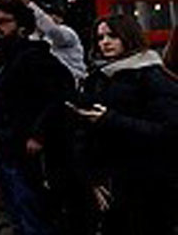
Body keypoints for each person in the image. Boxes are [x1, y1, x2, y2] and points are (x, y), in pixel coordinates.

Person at [0, 0, 74, 235]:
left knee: (32, 213)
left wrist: (38, 135)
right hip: (6, 145)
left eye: (4, 21)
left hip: (27, 150)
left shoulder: (35, 58)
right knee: (16, 211)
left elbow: (58, 98)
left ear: (22, 26)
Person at [73, 14, 178, 235]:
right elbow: (84, 134)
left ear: (129, 37)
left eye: (113, 36)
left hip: (150, 183)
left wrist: (111, 119)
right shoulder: (97, 78)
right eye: (100, 37)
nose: (105, 42)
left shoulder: (153, 77)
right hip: (111, 183)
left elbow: (169, 131)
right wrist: (92, 176)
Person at [11, 0, 86, 83]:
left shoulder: (67, 33)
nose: (47, 19)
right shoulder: (35, 39)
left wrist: (28, 4)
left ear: (60, 18)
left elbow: (52, 30)